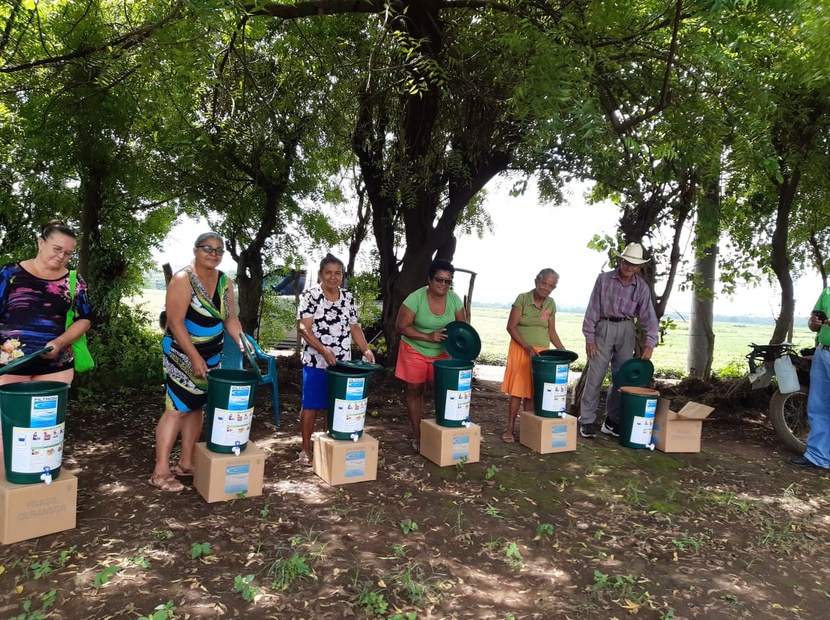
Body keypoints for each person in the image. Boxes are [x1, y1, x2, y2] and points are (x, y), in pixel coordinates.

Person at [151, 232, 244, 492]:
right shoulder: (183, 279)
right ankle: (160, 471)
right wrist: (193, 356)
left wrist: (241, 341)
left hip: (212, 355)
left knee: (196, 407)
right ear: (195, 250)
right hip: (181, 353)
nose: (213, 254)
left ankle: (186, 463)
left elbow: (230, 319)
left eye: (218, 250)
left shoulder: (225, 281)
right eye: (207, 248)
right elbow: (175, 322)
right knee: (177, 407)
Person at [297, 254, 375, 465]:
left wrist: (366, 350)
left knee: (335, 405)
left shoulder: (348, 297)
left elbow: (354, 326)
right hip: (316, 361)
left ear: (342, 276)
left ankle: (328, 447)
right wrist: (323, 350)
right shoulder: (311, 295)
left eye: (337, 273)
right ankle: (305, 449)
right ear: (321, 274)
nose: (333, 277)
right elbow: (304, 328)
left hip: (342, 363)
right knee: (311, 405)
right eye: (328, 273)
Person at [578, 243, 658, 439]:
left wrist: (650, 343)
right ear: (621, 260)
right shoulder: (604, 280)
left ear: (639, 267)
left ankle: (611, 421)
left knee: (621, 378)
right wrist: (589, 336)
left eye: (634, 264)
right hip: (603, 327)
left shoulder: (641, 287)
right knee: (595, 374)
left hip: (627, 328)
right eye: (627, 262)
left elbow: (648, 316)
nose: (630, 267)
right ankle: (587, 420)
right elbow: (593, 308)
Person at [0, 220, 92, 386]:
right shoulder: (9, 273)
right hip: (8, 366)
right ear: (41, 243)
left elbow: (84, 319)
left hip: (56, 368)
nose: (61, 256)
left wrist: (59, 342)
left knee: (48, 413)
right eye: (57, 249)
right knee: (11, 413)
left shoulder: (74, 281)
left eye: (68, 253)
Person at [395, 259, 467, 452]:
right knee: (415, 390)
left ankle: (441, 429)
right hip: (415, 348)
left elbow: (463, 328)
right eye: (439, 280)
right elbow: (401, 326)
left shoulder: (454, 299)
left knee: (443, 390)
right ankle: (418, 435)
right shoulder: (415, 298)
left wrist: (462, 351)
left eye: (447, 281)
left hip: (442, 352)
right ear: (429, 279)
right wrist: (428, 336)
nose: (443, 284)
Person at [500, 268, 566, 443]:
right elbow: (511, 327)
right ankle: (509, 430)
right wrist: (526, 346)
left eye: (551, 286)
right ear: (537, 281)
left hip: (540, 353)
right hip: (521, 349)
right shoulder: (523, 299)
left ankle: (527, 432)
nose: (546, 288)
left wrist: (563, 351)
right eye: (544, 283)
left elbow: (551, 331)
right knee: (517, 391)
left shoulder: (551, 304)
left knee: (532, 393)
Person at [788, 296, 830, 469]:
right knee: (818, 407)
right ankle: (818, 457)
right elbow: (813, 327)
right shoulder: (827, 292)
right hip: (823, 353)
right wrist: (814, 321)